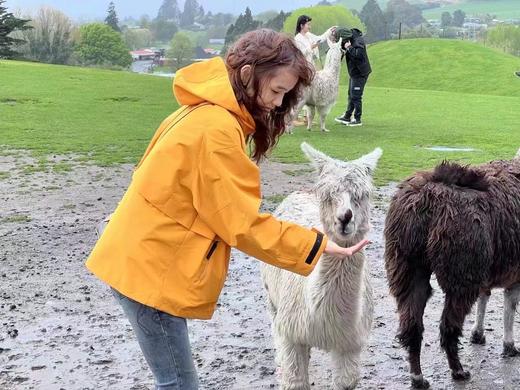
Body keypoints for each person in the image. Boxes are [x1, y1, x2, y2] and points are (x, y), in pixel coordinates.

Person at [85, 29, 370, 390]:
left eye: (286, 95)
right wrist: (318, 244)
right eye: (277, 91)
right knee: (178, 384)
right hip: (149, 271)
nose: (278, 104)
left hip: (142, 257)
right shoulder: (216, 131)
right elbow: (243, 225)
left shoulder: (202, 111)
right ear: (248, 75)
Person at [334, 28, 372, 127]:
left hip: (360, 73)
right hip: (354, 73)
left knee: (356, 96)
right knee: (351, 95)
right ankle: (347, 116)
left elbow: (358, 55)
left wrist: (349, 47)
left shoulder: (358, 41)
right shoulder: (348, 39)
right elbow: (342, 49)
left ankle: (357, 119)